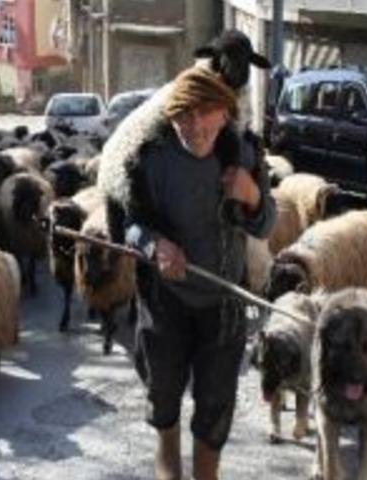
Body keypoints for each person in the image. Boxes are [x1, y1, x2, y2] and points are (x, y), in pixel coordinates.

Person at [100, 62, 275, 479]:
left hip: (223, 303)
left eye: (206, 113)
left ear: (225, 112)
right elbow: (130, 225)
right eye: (184, 115)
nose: (195, 126)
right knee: (163, 397)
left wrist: (251, 196)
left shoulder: (245, 155)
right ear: (170, 115)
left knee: (214, 407)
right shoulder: (150, 160)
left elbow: (266, 224)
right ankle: (168, 470)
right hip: (166, 302)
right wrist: (155, 244)